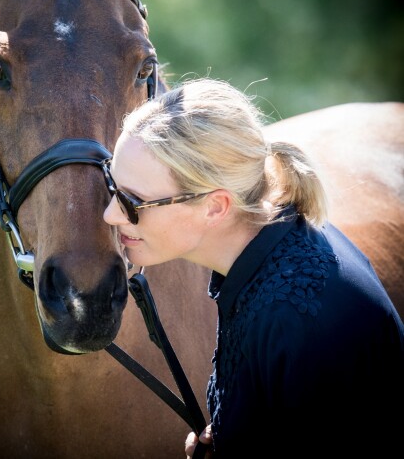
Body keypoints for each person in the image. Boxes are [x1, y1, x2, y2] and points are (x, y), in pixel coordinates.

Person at [102, 78, 404, 458]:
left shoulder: (300, 322)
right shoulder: (263, 255)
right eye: (111, 185)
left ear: (215, 207)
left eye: (132, 202)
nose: (110, 214)